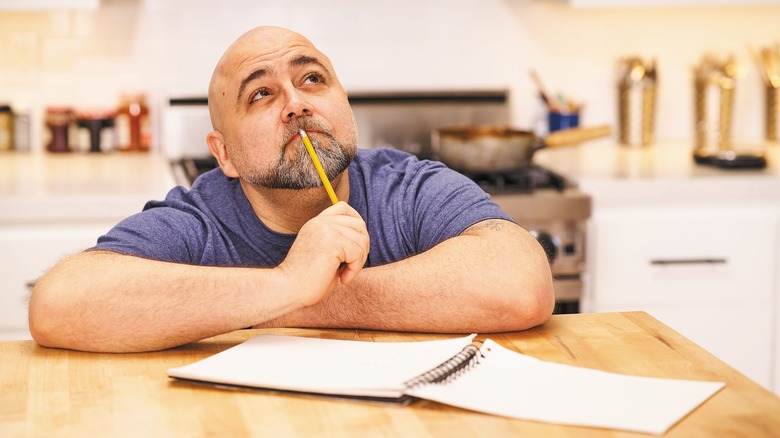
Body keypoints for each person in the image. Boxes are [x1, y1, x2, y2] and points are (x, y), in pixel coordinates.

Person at [28, 26, 554, 353]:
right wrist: (285, 282)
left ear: (344, 106)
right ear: (224, 155)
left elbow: (522, 284)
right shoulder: (201, 218)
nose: (297, 104)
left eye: (312, 80)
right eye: (261, 94)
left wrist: (307, 299)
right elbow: (59, 304)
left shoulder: (407, 189)